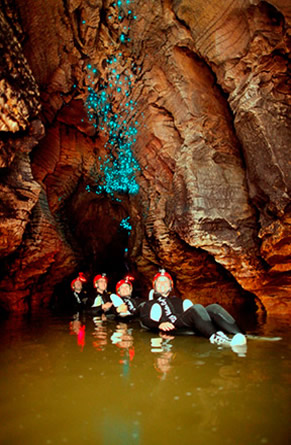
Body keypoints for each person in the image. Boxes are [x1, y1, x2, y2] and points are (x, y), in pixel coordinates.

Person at [139, 269, 247, 349]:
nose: (162, 284)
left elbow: (192, 315)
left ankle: (239, 334)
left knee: (213, 307)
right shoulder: (149, 303)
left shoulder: (177, 301)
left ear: (170, 286)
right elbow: (144, 320)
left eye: (165, 281)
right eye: (159, 282)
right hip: (173, 328)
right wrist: (159, 325)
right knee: (197, 308)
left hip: (185, 322)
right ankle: (216, 338)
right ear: (154, 286)